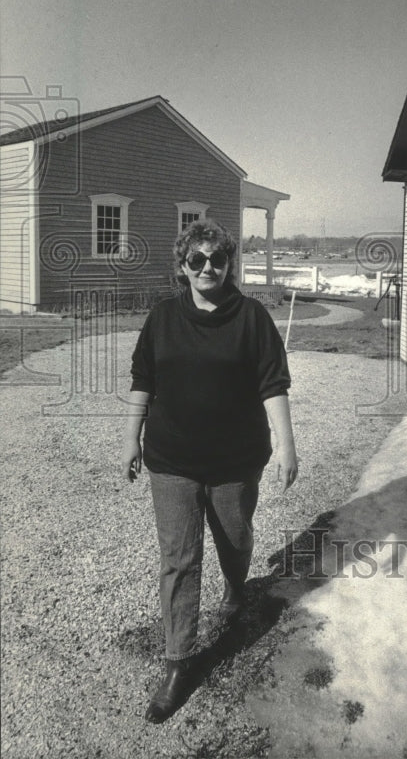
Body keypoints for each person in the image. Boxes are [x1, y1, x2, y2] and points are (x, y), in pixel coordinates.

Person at [120, 218, 298, 723]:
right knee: (179, 559)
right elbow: (143, 378)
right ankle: (179, 662)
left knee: (236, 538)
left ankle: (237, 589)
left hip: (235, 460)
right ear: (183, 266)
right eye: (196, 260)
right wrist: (130, 437)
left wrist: (287, 445)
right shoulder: (162, 318)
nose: (207, 268)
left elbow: (273, 383)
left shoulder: (252, 317)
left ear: (228, 264)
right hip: (171, 460)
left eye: (216, 260)